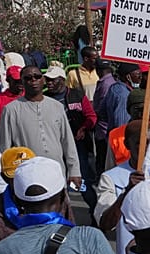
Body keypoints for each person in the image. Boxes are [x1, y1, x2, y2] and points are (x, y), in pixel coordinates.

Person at [0, 66, 82, 186]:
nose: (33, 81)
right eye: (28, 78)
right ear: (22, 82)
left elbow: (67, 141)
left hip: (56, 171)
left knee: (61, 204)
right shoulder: (11, 110)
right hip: (28, 175)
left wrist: (74, 171)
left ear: (42, 80)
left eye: (37, 77)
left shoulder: (56, 107)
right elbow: (5, 148)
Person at [44, 65, 98, 216]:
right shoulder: (44, 98)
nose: (49, 83)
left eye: (53, 80)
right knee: (58, 183)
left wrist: (83, 129)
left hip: (77, 146)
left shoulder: (77, 95)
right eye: (47, 80)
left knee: (81, 182)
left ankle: (95, 213)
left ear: (62, 80)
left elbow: (91, 116)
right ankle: (62, 217)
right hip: (55, 147)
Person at [94, 120, 149, 254]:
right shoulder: (111, 178)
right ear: (127, 145)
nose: (146, 148)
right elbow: (105, 223)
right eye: (139, 143)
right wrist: (127, 193)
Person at [102, 63, 140, 137]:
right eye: (137, 74)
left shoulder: (113, 88)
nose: (140, 77)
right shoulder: (124, 95)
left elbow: (102, 112)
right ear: (128, 77)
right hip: (122, 139)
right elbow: (122, 123)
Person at [93, 58, 116, 174]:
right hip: (103, 128)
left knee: (103, 162)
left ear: (97, 70)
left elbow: (101, 108)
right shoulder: (109, 82)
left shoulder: (105, 84)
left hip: (104, 129)